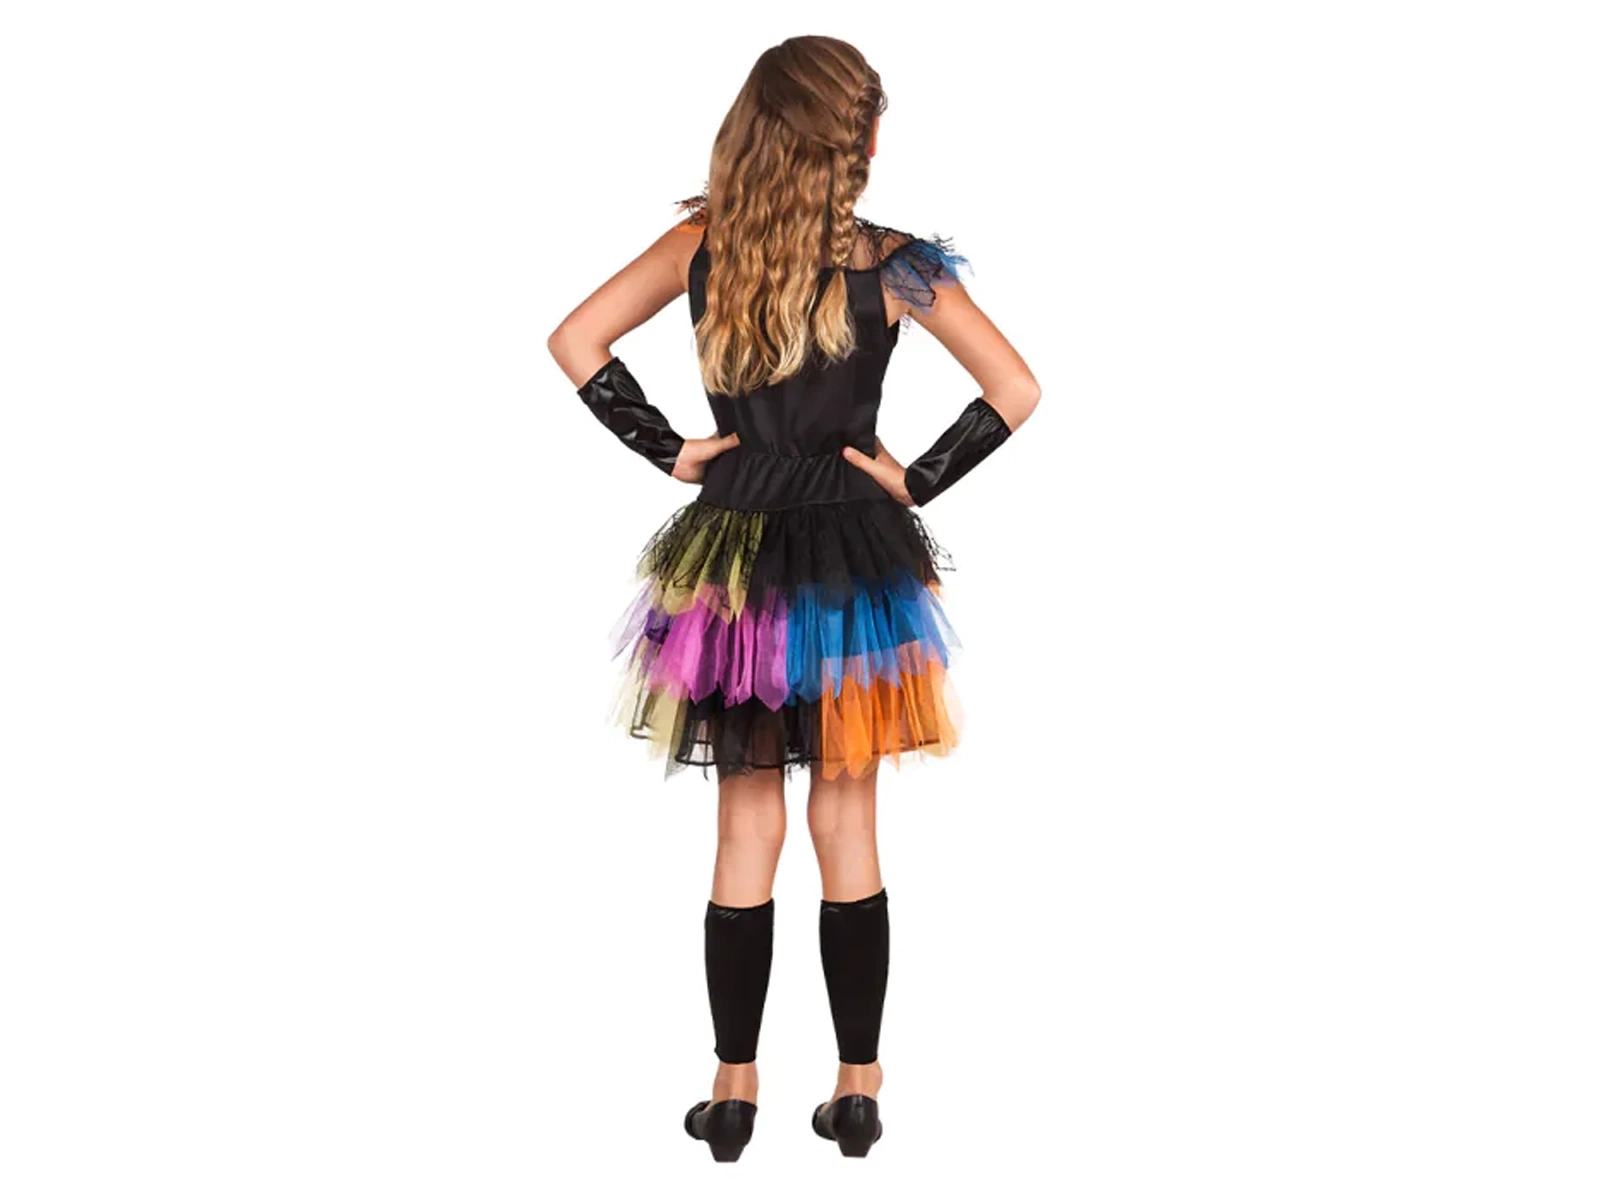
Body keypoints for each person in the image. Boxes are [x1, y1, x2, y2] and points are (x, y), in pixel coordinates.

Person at [547, 35, 1039, 1161]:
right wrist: (917, 478)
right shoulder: (896, 267)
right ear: (861, 142)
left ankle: (732, 1092)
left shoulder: (702, 245)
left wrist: (669, 448)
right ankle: (857, 1089)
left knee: (745, 820)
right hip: (855, 562)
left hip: (733, 567)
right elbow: (1014, 387)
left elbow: (575, 339)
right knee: (848, 818)